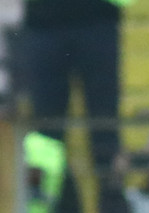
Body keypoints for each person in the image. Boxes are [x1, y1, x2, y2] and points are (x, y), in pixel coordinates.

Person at [18, 0, 133, 187]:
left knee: (103, 124)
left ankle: (110, 194)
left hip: (96, 22)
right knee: (47, 129)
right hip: (46, 24)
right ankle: (50, 197)